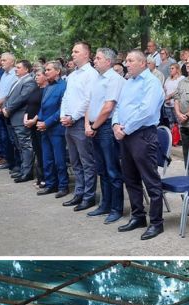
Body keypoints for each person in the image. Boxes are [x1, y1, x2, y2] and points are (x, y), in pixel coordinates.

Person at [114, 50, 166, 240]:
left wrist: (125, 129)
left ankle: (156, 222)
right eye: (126, 60)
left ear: (143, 63)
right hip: (126, 134)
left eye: (130, 60)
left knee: (150, 180)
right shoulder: (128, 82)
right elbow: (118, 107)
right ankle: (138, 216)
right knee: (130, 178)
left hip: (143, 135)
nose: (126, 63)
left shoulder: (151, 82)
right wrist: (115, 125)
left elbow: (147, 110)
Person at [84, 49, 125, 222]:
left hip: (106, 127)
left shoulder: (114, 79)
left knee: (112, 169)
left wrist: (94, 126)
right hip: (94, 126)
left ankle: (116, 208)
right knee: (101, 169)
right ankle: (105, 204)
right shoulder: (97, 78)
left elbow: (108, 107)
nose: (95, 60)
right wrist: (87, 124)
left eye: (98, 58)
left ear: (108, 61)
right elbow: (90, 103)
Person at [61, 42, 100, 213]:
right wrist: (63, 115)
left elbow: (88, 100)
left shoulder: (91, 74)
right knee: (75, 160)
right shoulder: (72, 75)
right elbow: (66, 97)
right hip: (68, 122)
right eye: (72, 51)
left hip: (79, 122)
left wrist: (73, 116)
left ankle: (89, 196)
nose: (73, 54)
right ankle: (79, 192)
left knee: (87, 162)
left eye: (76, 51)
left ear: (86, 54)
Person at [4, 60, 41, 185]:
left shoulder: (29, 81)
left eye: (18, 67)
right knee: (19, 145)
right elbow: (9, 97)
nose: (16, 69)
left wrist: (8, 109)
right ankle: (23, 168)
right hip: (13, 116)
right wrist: (5, 107)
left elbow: (22, 98)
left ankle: (27, 172)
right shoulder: (18, 81)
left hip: (20, 117)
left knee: (25, 145)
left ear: (26, 69)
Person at [35, 61, 69, 197]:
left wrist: (47, 122)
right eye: (45, 70)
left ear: (58, 71)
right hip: (44, 128)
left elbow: (62, 109)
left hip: (56, 129)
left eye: (48, 70)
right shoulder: (48, 86)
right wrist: (40, 120)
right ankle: (50, 184)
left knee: (59, 159)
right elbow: (43, 106)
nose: (45, 72)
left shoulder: (64, 86)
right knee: (47, 158)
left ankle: (63, 186)